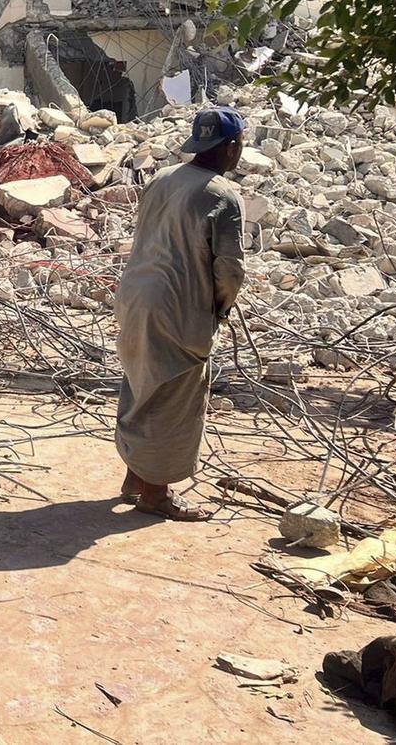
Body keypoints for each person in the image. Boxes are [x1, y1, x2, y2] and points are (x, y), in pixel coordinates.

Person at [114, 106, 247, 521]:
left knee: (141, 384)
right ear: (231, 147)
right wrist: (219, 308)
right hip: (177, 307)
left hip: (135, 296)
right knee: (174, 398)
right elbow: (230, 269)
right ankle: (156, 493)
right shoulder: (222, 195)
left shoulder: (161, 178)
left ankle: (136, 476)